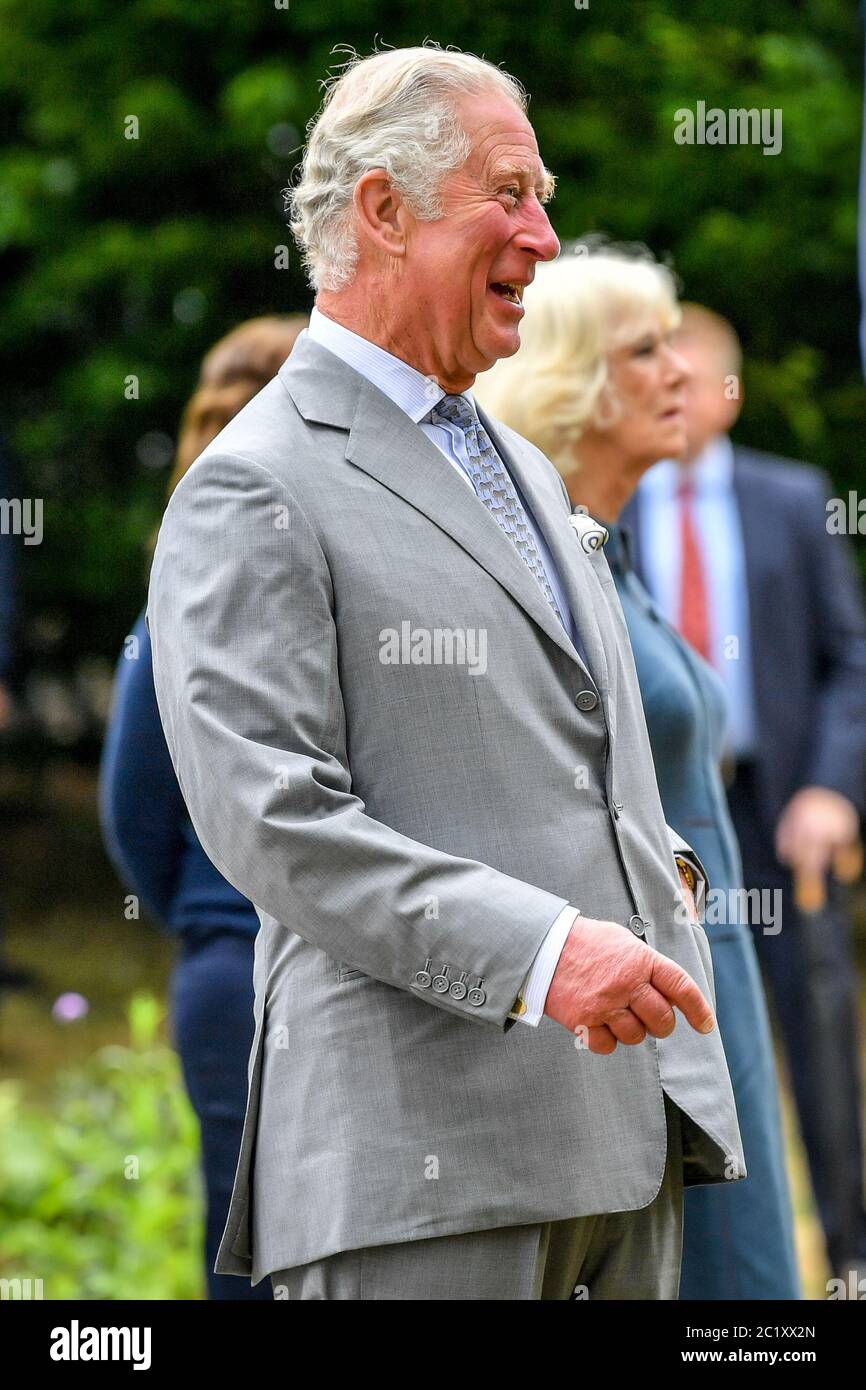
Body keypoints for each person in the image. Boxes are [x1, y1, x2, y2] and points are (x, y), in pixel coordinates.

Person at [147, 44, 744, 1302]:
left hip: (622, 1152)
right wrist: (545, 952)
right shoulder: (253, 483)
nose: (544, 233)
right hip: (423, 1175)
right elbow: (274, 819)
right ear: (381, 209)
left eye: (541, 194)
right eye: (509, 193)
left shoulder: (518, 463)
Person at [474, 245, 801, 1300]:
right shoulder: (532, 568)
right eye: (646, 350)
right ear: (569, 380)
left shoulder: (605, 549)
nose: (683, 374)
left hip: (709, 972)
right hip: (631, 998)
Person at [622, 303, 866, 1282]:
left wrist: (831, 791)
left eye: (691, 373)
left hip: (777, 810)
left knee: (816, 1039)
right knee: (673, 1037)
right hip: (657, 813)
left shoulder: (791, 497)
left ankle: (848, 1259)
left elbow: (849, 657)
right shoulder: (607, 503)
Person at [99, 315, 308, 1300]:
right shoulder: (173, 608)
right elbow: (133, 809)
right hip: (238, 979)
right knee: (255, 1257)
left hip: (335, 970)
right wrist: (215, 915)